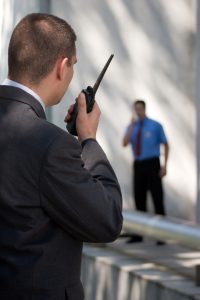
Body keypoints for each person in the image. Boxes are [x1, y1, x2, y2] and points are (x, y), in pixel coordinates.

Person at [0, 13, 123, 300]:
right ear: (62, 66)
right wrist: (88, 139)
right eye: (73, 66)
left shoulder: (47, 142)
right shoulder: (50, 144)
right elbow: (107, 220)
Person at [123, 100, 169, 243]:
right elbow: (124, 143)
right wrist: (131, 126)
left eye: (140, 109)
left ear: (144, 109)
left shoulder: (155, 125)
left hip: (153, 164)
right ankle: (139, 234)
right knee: (139, 199)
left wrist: (164, 166)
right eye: (136, 109)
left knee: (157, 199)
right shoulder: (132, 127)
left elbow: (166, 144)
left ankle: (162, 235)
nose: (138, 111)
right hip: (138, 165)